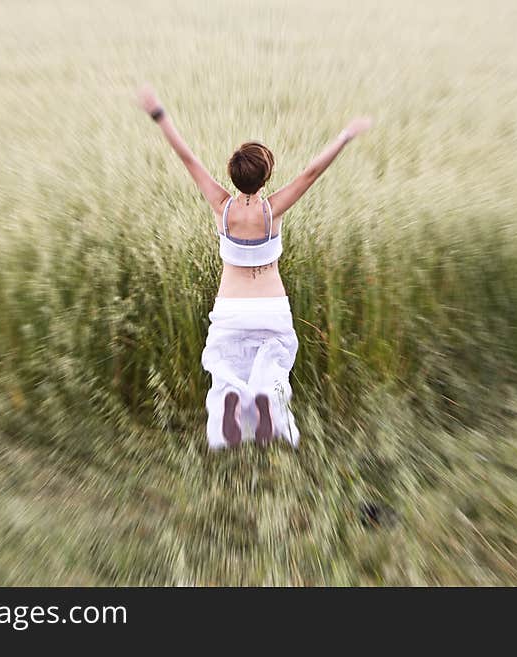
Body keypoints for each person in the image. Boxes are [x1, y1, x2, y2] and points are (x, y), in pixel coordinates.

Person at [136, 83, 372, 449]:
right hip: (270, 305)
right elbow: (311, 172)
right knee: (275, 359)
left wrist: (159, 114)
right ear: (266, 178)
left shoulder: (222, 206)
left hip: (231, 307)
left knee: (226, 364)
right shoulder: (272, 209)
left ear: (233, 176)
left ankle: (232, 398)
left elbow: (187, 158)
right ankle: (265, 401)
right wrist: (344, 136)